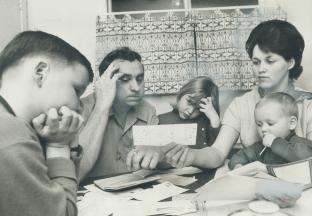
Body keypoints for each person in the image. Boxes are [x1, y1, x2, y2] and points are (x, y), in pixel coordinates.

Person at [127, 20, 312, 206]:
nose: (260, 69)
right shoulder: (242, 104)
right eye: (256, 62)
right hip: (253, 196)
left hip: (301, 196)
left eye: (270, 61)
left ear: (290, 62)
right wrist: (189, 154)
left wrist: (276, 184)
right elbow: (217, 153)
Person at [0, 31, 93, 216]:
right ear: (40, 72)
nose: (79, 107)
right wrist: (59, 146)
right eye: (77, 90)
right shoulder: (12, 135)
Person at [79, 47, 159, 179]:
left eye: (139, 79)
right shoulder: (81, 109)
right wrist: (102, 106)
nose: (136, 88)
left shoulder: (148, 110)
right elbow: (76, 171)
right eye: (125, 79)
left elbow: (152, 163)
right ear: (105, 81)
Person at [228, 92, 312, 170]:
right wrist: (238, 166)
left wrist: (275, 143)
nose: (263, 129)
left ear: (292, 123)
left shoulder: (299, 143)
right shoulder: (259, 147)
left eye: (270, 123)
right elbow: (239, 156)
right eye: (259, 124)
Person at [158, 76, 220, 149]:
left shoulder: (206, 124)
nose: (190, 111)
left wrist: (214, 120)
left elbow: (216, 152)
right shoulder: (160, 120)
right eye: (189, 102)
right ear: (182, 92)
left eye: (198, 109)